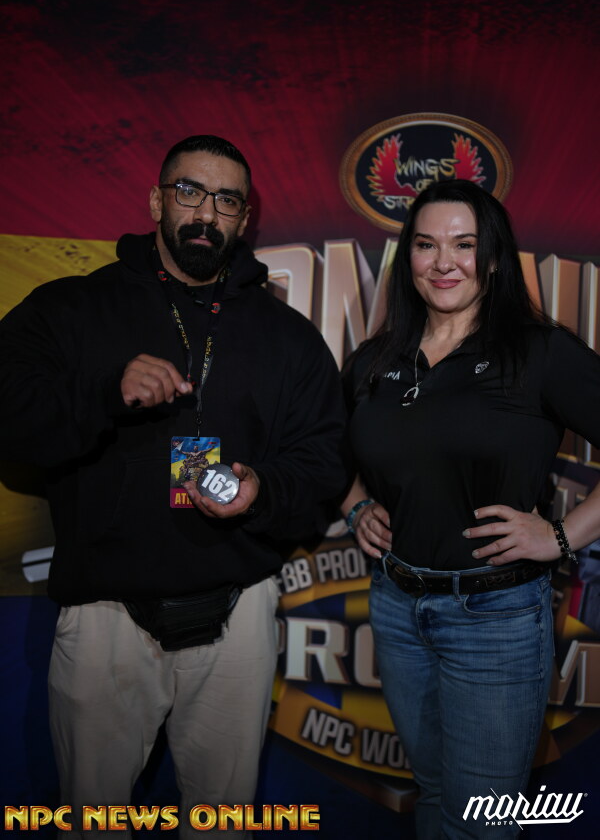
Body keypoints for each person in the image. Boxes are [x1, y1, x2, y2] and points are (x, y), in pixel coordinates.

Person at [0, 135, 346, 837]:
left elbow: (325, 461)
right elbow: (10, 423)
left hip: (238, 617)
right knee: (93, 825)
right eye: (189, 191)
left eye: (227, 201)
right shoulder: (69, 308)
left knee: (222, 826)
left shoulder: (288, 336)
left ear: (244, 219)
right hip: (106, 618)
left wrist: (264, 488)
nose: (206, 213)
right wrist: (104, 393)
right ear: (157, 200)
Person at [341, 179, 600, 839]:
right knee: (434, 795)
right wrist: (356, 506)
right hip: (398, 609)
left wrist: (562, 537)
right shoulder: (376, 360)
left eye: (464, 244)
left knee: (481, 823)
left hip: (496, 618)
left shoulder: (538, 351)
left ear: (493, 256)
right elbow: (324, 454)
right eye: (426, 244)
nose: (444, 262)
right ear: (408, 256)